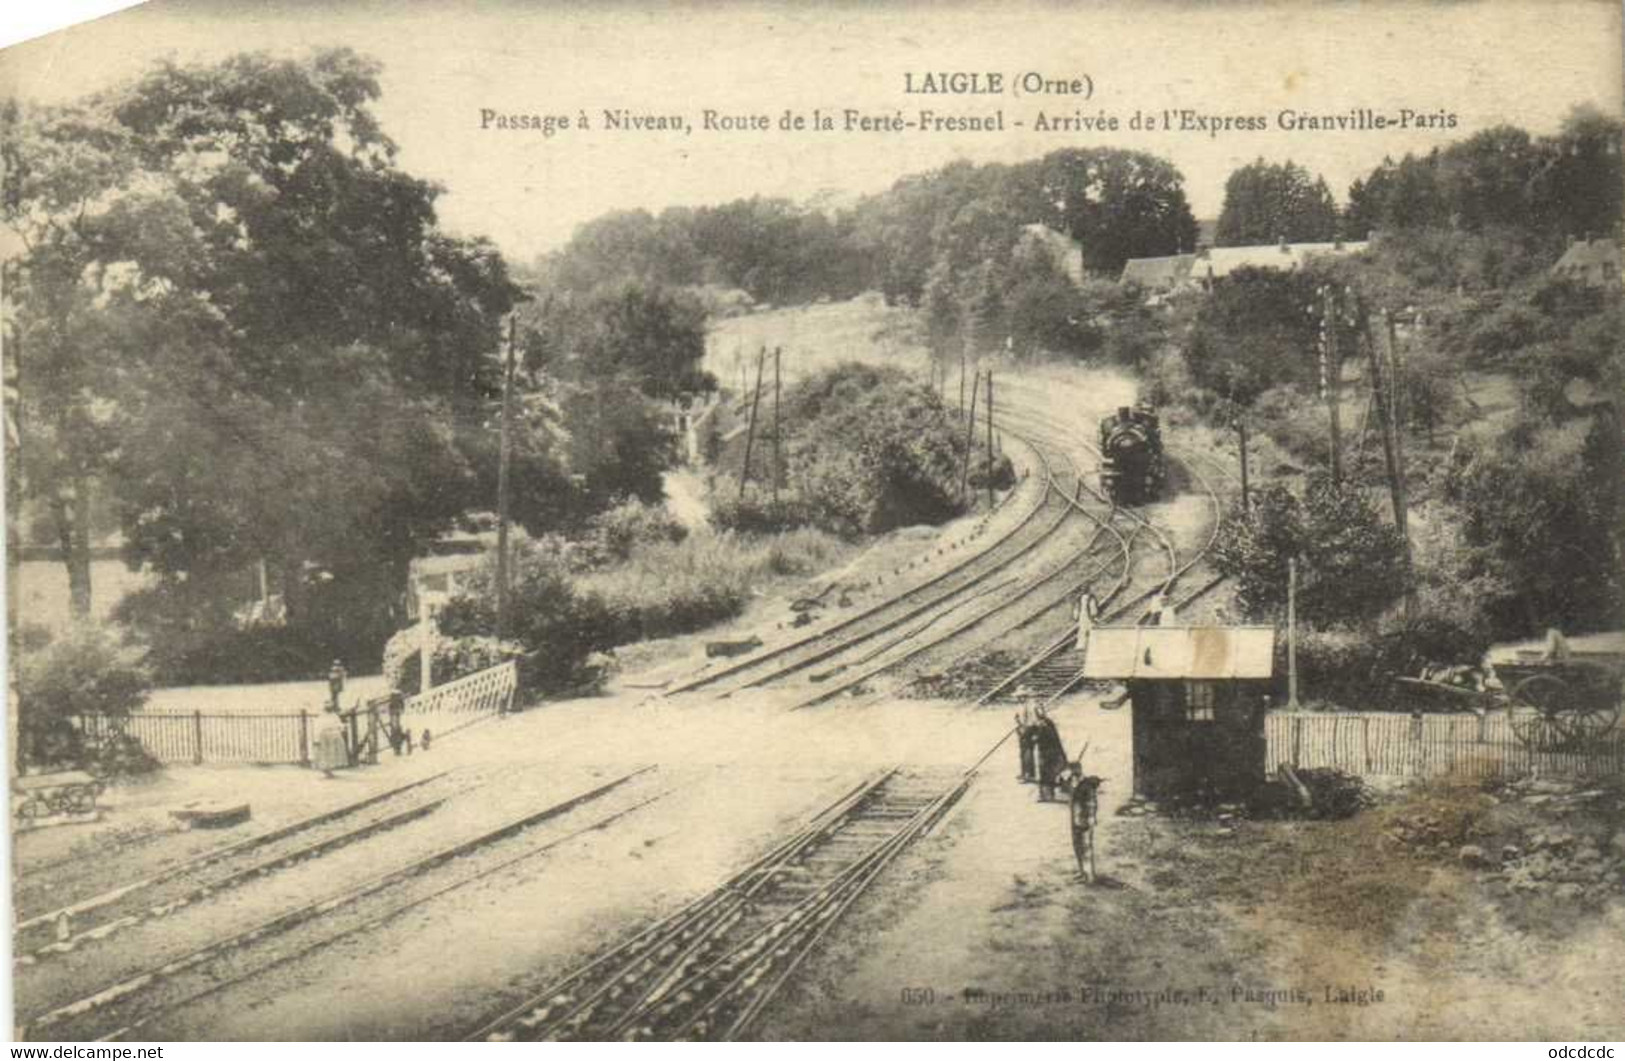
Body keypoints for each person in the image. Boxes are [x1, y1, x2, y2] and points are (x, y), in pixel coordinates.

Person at [1068, 767, 1104, 881]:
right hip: (1075, 820)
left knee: (1086, 848)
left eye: (1074, 772)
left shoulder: (1087, 785)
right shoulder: (1073, 783)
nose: (1073, 775)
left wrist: (1091, 818)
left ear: (1079, 771)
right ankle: (1082, 872)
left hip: (1085, 820)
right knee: (1077, 846)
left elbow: (1092, 803)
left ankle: (1089, 875)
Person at [1032, 707, 1067, 801]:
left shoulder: (1046, 727)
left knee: (1047, 773)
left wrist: (1036, 738)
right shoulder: (1047, 724)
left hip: (1048, 753)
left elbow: (1044, 738)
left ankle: (1047, 795)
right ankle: (1046, 795)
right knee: (1046, 774)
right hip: (1046, 752)